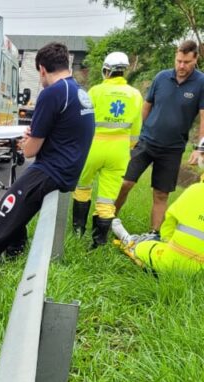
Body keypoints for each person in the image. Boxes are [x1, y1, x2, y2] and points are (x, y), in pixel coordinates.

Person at [0, 43, 95, 297]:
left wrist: (24, 143)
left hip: (49, 171)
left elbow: (30, 150)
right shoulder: (77, 91)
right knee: (7, 217)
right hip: (66, 171)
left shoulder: (52, 93)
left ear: (42, 70)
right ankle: (8, 250)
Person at [114, 40, 204, 233]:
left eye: (186, 62)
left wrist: (199, 148)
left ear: (195, 59)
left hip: (172, 148)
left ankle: (154, 235)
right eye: (178, 60)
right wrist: (134, 137)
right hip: (146, 142)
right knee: (125, 182)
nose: (181, 66)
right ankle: (107, 220)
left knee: (161, 194)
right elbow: (147, 106)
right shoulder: (161, 77)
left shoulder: (201, 82)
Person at [71, 51, 143, 247]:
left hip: (93, 146)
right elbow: (136, 131)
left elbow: (83, 121)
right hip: (119, 150)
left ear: (106, 70)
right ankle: (98, 243)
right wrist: (126, 146)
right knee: (106, 199)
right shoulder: (135, 95)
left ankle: (77, 234)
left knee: (82, 188)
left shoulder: (95, 91)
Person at [113, 139, 204, 273]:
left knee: (141, 247)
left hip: (171, 261)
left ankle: (128, 239)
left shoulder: (194, 190)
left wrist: (166, 242)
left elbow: (169, 222)